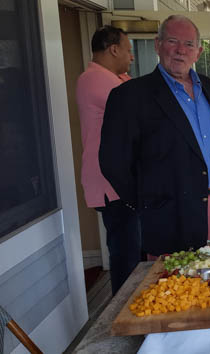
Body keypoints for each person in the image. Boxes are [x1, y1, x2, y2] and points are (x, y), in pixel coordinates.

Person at [100, 15, 210, 256]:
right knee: (178, 288)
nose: (181, 50)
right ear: (157, 44)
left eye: (189, 44)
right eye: (172, 41)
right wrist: (149, 203)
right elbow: (113, 163)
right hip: (171, 216)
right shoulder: (130, 96)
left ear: (198, 52)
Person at [75, 25, 138, 295]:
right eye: (128, 50)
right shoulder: (95, 80)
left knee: (133, 248)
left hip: (117, 180)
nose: (132, 58)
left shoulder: (112, 78)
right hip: (111, 182)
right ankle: (123, 312)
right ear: (113, 49)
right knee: (127, 255)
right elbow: (138, 109)